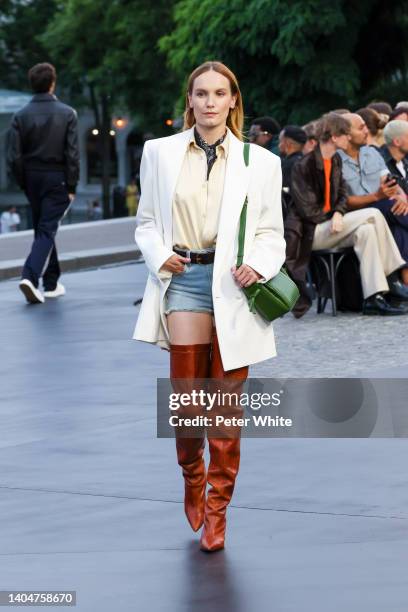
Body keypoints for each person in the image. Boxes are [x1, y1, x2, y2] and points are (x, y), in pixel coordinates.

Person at [133, 61, 286, 552]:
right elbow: (146, 223)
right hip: (185, 281)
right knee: (187, 405)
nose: (211, 102)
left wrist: (258, 266)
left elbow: (271, 233)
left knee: (225, 408)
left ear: (234, 100)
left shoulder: (260, 162)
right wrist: (161, 256)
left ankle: (218, 509)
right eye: (202, 93)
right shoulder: (158, 153)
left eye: (221, 93)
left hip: (235, 288)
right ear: (190, 100)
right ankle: (191, 471)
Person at [289, 113, 408, 316]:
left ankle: (374, 297)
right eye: (345, 134)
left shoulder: (334, 161)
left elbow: (342, 196)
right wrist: (334, 214)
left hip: (335, 226)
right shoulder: (304, 165)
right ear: (335, 137)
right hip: (312, 232)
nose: (349, 138)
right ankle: (393, 278)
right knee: (373, 213)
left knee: (368, 230)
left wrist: (338, 212)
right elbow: (306, 210)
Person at [8, 62, 79, 304]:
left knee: (44, 227)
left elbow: (14, 157)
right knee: (47, 228)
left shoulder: (20, 116)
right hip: (56, 178)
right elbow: (72, 154)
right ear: (52, 83)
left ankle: (51, 283)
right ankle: (30, 276)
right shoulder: (67, 113)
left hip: (31, 178)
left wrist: (23, 182)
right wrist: (71, 186)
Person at [338, 113, 408, 290]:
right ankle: (399, 282)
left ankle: (403, 281)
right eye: (360, 127)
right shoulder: (336, 160)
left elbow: (389, 182)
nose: (366, 131)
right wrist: (377, 196)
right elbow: (343, 202)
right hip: (356, 214)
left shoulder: (371, 153)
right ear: (346, 133)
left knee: (398, 224)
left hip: (384, 209)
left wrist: (400, 196)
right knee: (391, 208)